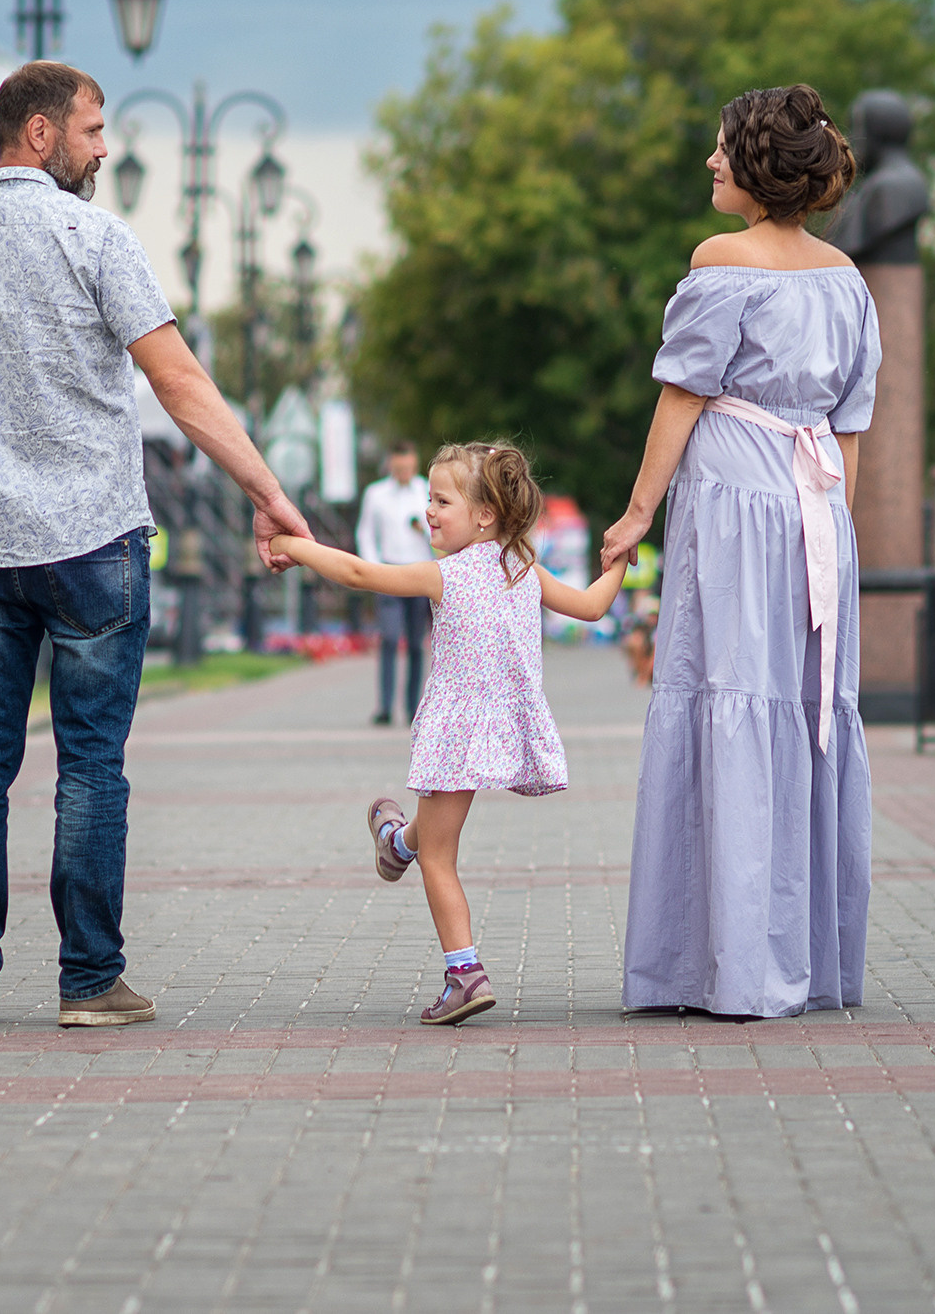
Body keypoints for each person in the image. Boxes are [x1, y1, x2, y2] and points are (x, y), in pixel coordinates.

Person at [0, 59, 310, 1031]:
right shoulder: (96, 237)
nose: (103, 148)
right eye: (91, 130)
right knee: (89, 764)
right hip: (93, 544)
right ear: (39, 133)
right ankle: (89, 983)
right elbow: (179, 382)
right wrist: (267, 492)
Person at [599, 84, 880, 1020]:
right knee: (803, 711)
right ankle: (807, 962)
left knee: (727, 700)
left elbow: (682, 396)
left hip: (733, 510)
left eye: (723, 147)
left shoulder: (720, 261)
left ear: (759, 165)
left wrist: (637, 513)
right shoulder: (846, 279)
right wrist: (836, 535)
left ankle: (723, 966)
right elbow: (849, 428)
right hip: (814, 516)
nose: (712, 160)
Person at [272, 441, 627, 1025]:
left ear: (484, 514)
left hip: (456, 728)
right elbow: (591, 607)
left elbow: (360, 573)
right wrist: (619, 560)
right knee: (432, 834)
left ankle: (465, 975)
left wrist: (294, 545)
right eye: (429, 499)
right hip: (504, 725)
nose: (428, 511)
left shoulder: (447, 574)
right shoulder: (522, 568)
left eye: (441, 501)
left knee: (438, 855)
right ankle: (396, 845)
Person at [354, 440, 434, 724]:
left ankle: (413, 708)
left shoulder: (427, 490)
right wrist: (373, 567)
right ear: (391, 464)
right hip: (388, 571)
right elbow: (365, 533)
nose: (404, 473)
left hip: (419, 572)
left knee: (415, 643)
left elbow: (440, 531)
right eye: (399, 468)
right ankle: (385, 707)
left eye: (408, 468)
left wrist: (423, 529)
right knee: (388, 637)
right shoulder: (376, 494)